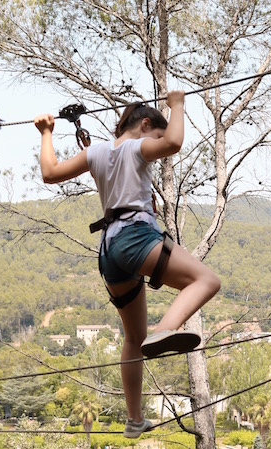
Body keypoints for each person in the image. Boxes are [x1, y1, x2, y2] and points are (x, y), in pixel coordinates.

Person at [34, 91, 220, 438]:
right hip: (135, 236)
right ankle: (167, 328)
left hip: (109, 251)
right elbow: (175, 143)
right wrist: (177, 104)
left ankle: (135, 419)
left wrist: (46, 132)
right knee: (206, 281)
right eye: (156, 137)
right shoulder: (137, 147)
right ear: (146, 125)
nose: (158, 148)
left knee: (134, 338)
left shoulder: (96, 152)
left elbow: (50, 172)